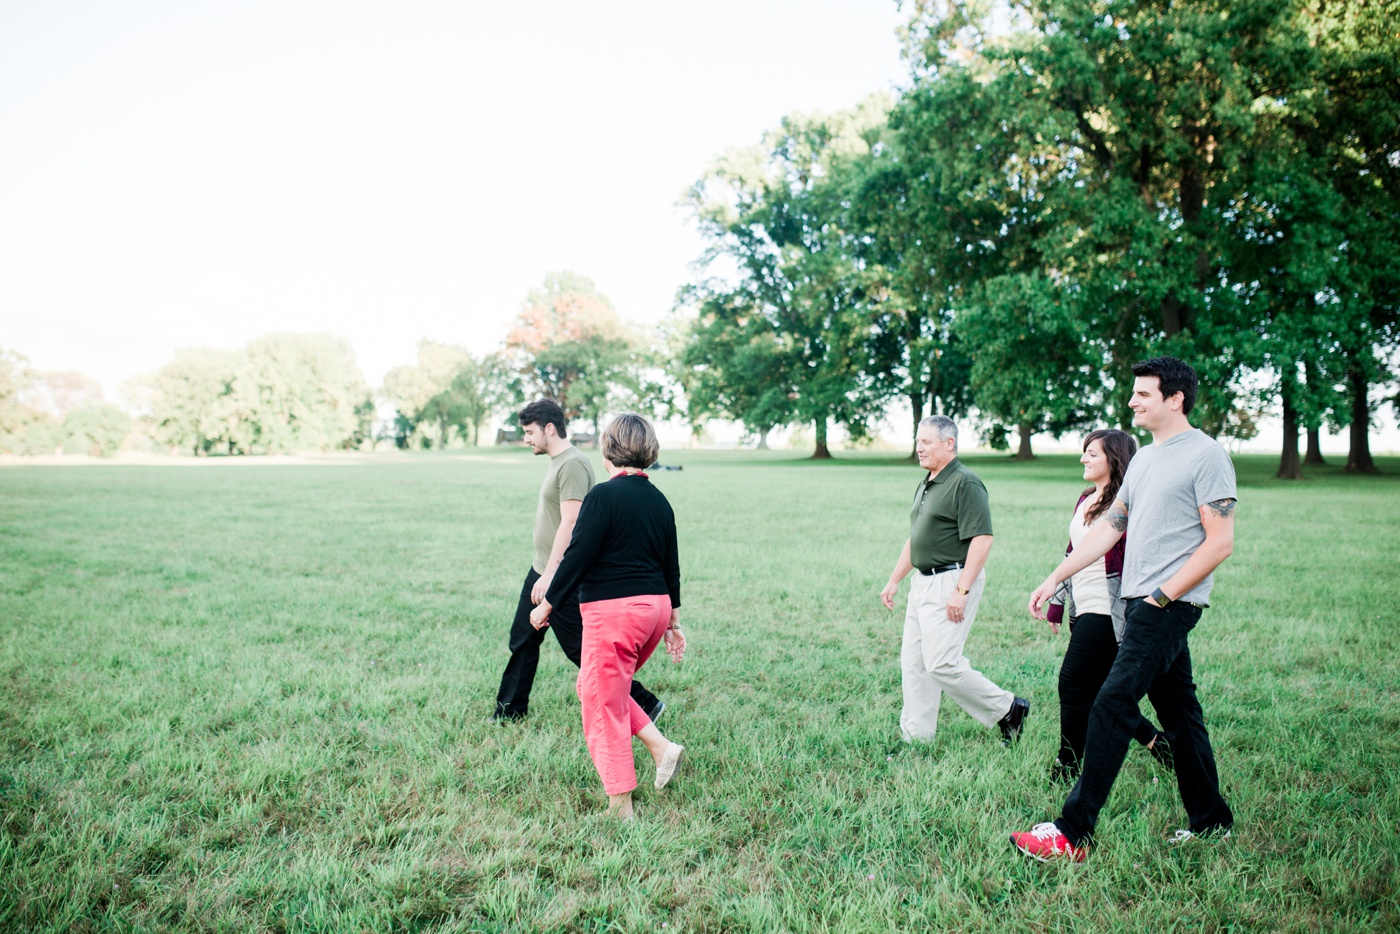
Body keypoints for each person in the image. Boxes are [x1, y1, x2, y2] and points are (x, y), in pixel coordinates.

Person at [1015, 356, 1237, 862]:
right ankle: (1211, 821)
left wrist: (1163, 595)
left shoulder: (1206, 455)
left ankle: (1073, 833)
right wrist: (1056, 577)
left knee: (1111, 703)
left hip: (1167, 604)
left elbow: (1220, 541)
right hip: (1136, 604)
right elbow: (1110, 527)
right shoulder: (1144, 460)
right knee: (1181, 715)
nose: (1132, 401)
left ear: (1175, 398)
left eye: (1143, 393)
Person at [530, 413, 687, 819]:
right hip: (654, 610)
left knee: (602, 702)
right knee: (597, 687)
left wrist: (548, 603)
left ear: (608, 450)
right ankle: (660, 747)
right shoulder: (659, 500)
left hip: (615, 613)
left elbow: (577, 556)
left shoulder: (602, 496)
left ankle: (620, 805)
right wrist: (673, 622)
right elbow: (671, 565)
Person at [492, 399, 663, 724]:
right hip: (542, 568)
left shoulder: (572, 464)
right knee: (523, 639)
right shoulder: (560, 462)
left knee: (583, 652)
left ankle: (645, 704)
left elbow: (571, 523)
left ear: (550, 428)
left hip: (557, 574)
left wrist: (551, 576)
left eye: (530, 432)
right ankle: (510, 711)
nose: (527, 439)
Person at [880, 415, 1030, 747]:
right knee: (915, 664)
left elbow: (982, 539)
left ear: (949, 444)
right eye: (918, 441)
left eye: (926, 442)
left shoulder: (966, 482)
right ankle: (917, 738)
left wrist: (961, 591)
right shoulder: (927, 482)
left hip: (952, 580)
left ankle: (1008, 708)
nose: (919, 448)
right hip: (922, 582)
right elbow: (915, 537)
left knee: (942, 663)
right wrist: (894, 580)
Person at [1045, 429, 1172, 784]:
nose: (1083, 458)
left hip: (1108, 608)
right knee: (1106, 693)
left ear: (1114, 459)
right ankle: (1159, 744)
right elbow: (1072, 552)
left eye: (1092, 453)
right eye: (1084, 452)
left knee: (1072, 684)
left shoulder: (1128, 505)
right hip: (1082, 604)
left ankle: (1067, 764)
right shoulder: (1085, 499)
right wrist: (1056, 601)